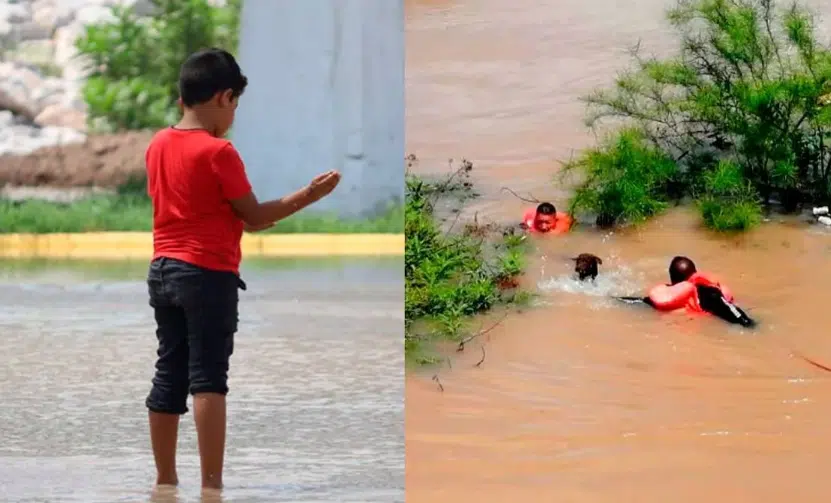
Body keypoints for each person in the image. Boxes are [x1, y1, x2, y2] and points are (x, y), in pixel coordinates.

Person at [144, 48, 341, 491]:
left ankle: (164, 483)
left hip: (162, 269)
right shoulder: (219, 152)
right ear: (225, 96)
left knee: (168, 375)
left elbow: (189, 207)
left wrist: (234, 222)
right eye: (235, 104)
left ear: (182, 99)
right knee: (208, 379)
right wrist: (308, 195)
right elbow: (252, 214)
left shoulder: (157, 144)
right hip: (206, 275)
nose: (234, 114)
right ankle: (212, 488)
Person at [632, 256, 755, 327]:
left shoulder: (705, 292)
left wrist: (747, 323)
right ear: (695, 272)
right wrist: (747, 323)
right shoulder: (707, 293)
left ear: (673, 281)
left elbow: (639, 302)